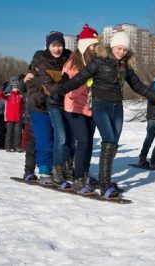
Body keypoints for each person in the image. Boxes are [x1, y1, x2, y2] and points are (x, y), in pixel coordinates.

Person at [58, 31, 155, 198]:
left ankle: (106, 181)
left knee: (113, 143)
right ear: (112, 47)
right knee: (109, 139)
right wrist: (61, 90)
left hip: (117, 107)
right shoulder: (98, 61)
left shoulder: (125, 67)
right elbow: (79, 79)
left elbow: (138, 86)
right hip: (100, 105)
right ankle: (102, 185)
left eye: (124, 49)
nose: (121, 52)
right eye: (119, 48)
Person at [62, 24, 100, 193]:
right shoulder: (72, 64)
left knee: (89, 142)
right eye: (93, 46)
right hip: (73, 108)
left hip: (89, 108)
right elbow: (70, 93)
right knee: (83, 140)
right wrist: (87, 84)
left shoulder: (93, 62)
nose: (95, 49)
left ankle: (84, 173)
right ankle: (77, 177)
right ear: (85, 45)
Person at [37, 31, 74, 186]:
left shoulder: (70, 57)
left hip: (69, 103)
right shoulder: (43, 61)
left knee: (71, 140)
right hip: (54, 104)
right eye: (53, 45)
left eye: (59, 45)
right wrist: (64, 83)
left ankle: (68, 168)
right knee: (61, 136)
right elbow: (49, 87)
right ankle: (57, 169)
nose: (57, 49)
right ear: (48, 46)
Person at [27, 50, 53, 181]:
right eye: (38, 65)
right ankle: (41, 169)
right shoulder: (31, 78)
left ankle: (53, 168)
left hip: (53, 112)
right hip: (38, 112)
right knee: (42, 142)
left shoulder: (50, 76)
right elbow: (34, 99)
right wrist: (45, 90)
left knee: (54, 141)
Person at [137, 82, 155, 167]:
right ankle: (142, 157)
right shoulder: (154, 86)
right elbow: (152, 98)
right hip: (153, 117)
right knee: (149, 138)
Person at [2, 77, 23, 152]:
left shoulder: (20, 96)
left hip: (17, 118)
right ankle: (8, 147)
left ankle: (17, 146)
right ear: (11, 88)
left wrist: (21, 114)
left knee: (18, 133)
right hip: (9, 118)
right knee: (9, 133)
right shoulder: (8, 95)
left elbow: (22, 106)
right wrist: (4, 89)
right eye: (14, 87)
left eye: (16, 87)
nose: (15, 89)